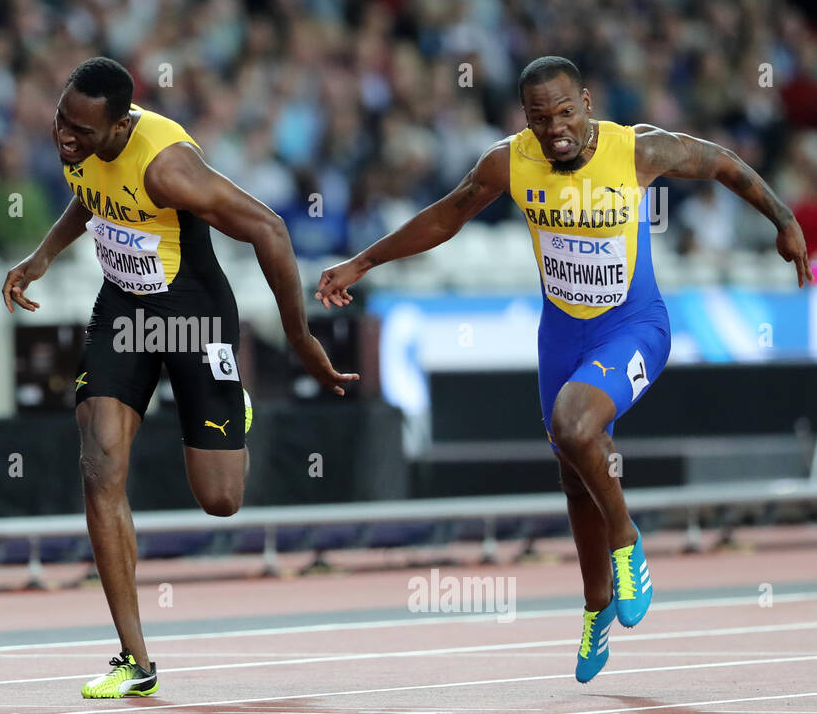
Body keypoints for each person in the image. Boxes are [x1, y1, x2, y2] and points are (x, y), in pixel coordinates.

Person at [316, 55, 810, 682]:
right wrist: (361, 263)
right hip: (561, 336)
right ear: (525, 119)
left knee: (575, 425)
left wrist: (785, 220)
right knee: (574, 471)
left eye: (566, 112)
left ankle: (628, 542)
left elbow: (721, 163)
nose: (555, 130)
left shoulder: (637, 151)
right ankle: (596, 603)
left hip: (634, 327)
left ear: (587, 100)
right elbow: (448, 214)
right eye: (540, 118)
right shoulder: (510, 160)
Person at [2, 57, 357, 698]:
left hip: (191, 312)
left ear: (121, 125)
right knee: (99, 464)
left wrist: (300, 337)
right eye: (61, 121)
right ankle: (134, 659)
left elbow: (269, 229)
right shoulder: (77, 139)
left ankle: (231, 408)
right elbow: (91, 199)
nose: (64, 137)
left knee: (220, 499)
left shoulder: (168, 165)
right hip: (121, 310)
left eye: (81, 130)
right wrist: (41, 256)